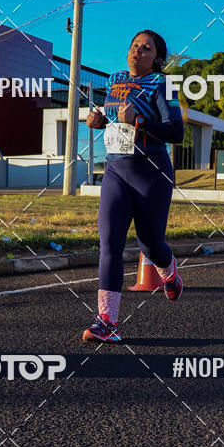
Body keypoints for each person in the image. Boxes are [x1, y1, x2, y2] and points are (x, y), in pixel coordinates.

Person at [82, 29, 185, 342]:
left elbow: (176, 132)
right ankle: (107, 321)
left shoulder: (163, 85)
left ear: (157, 58)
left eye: (147, 48)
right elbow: (112, 118)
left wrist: (140, 121)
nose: (138, 51)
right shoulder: (115, 79)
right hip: (116, 170)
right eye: (135, 45)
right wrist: (97, 120)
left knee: (150, 243)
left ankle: (169, 272)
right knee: (109, 241)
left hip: (151, 172)